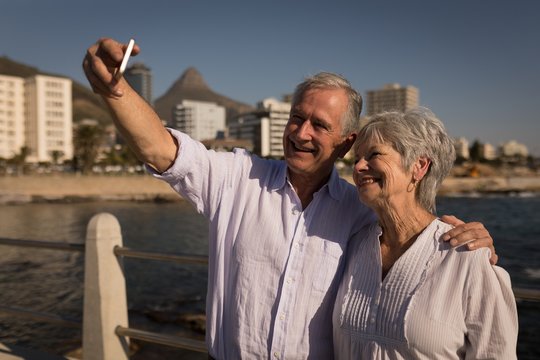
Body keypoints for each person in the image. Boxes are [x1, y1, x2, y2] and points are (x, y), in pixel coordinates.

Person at [82, 38, 496, 359]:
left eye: (319, 125)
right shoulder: (237, 179)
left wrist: (464, 241)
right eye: (296, 118)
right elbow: (160, 149)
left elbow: (411, 235)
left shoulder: (361, 212)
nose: (301, 133)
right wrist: (114, 89)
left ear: (345, 142)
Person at [333, 108, 518, 359]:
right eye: (357, 158)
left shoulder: (467, 258)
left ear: (419, 166)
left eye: (373, 154)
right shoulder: (352, 246)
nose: (358, 167)